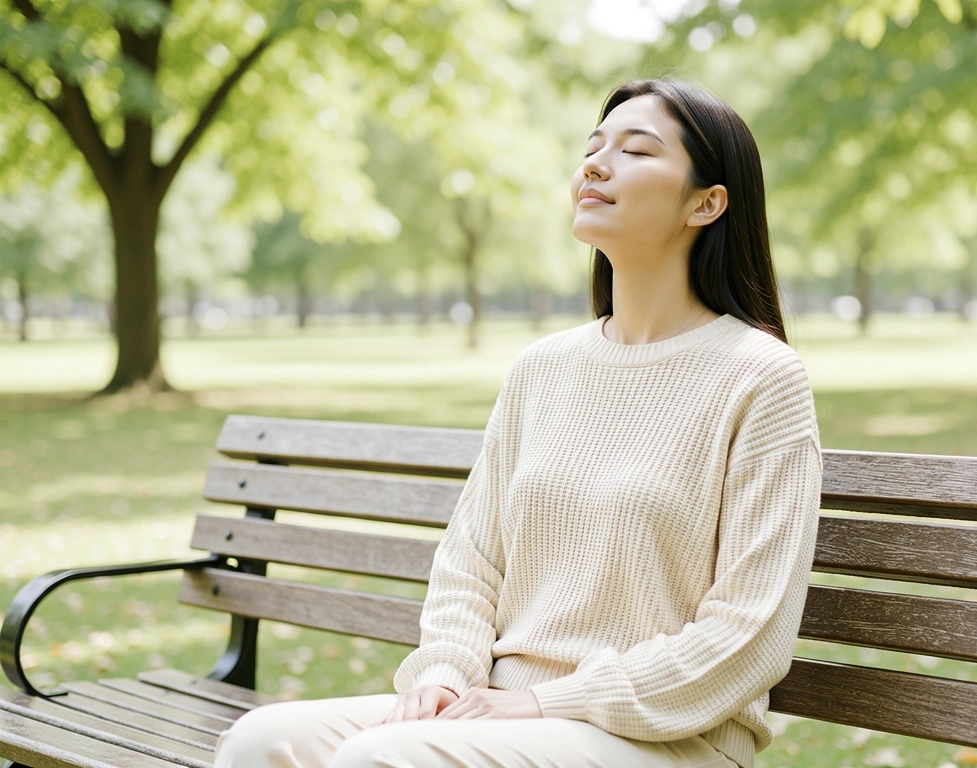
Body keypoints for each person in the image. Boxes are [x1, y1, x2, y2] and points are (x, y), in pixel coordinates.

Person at [213, 77, 822, 768]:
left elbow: (749, 633)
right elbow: (471, 563)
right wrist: (445, 671)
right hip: (502, 705)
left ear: (706, 203)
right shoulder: (542, 368)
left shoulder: (759, 377)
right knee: (261, 742)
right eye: (593, 148)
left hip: (667, 740)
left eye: (635, 151)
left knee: (377, 763)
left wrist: (548, 702)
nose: (594, 164)